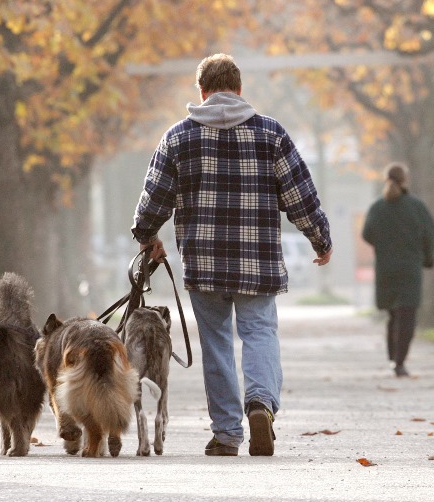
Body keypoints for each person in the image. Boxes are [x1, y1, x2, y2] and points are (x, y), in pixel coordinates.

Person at [131, 53, 333, 457]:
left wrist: (147, 235)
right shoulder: (271, 134)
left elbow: (153, 199)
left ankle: (227, 433)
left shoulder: (178, 137)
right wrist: (320, 239)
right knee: (259, 331)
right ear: (239, 90)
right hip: (258, 261)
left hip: (204, 262)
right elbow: (300, 197)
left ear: (202, 92)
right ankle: (260, 403)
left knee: (217, 342)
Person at [361, 163, 434, 378]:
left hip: (386, 268)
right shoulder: (416, 206)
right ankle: (399, 362)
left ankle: (393, 358)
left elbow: (367, 233)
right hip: (410, 268)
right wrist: (428, 257)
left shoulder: (377, 207)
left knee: (393, 315)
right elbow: (429, 234)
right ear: (405, 180)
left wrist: (383, 244)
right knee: (407, 314)